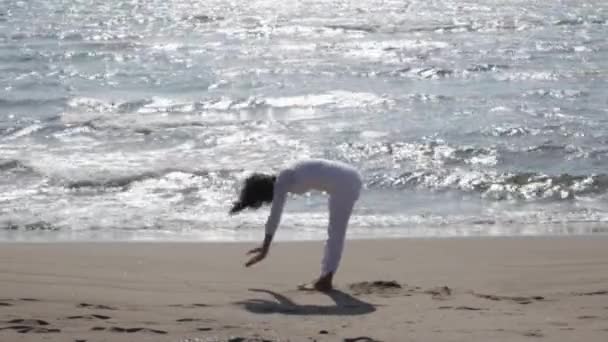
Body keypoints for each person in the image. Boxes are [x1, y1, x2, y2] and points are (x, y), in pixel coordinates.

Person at [230, 159, 362, 292]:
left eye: (261, 201)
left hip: (345, 182)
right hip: (350, 176)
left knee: (336, 232)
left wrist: (265, 248)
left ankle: (325, 281)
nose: (265, 203)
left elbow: (275, 214)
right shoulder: (287, 173)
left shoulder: (282, 181)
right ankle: (325, 278)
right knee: (336, 231)